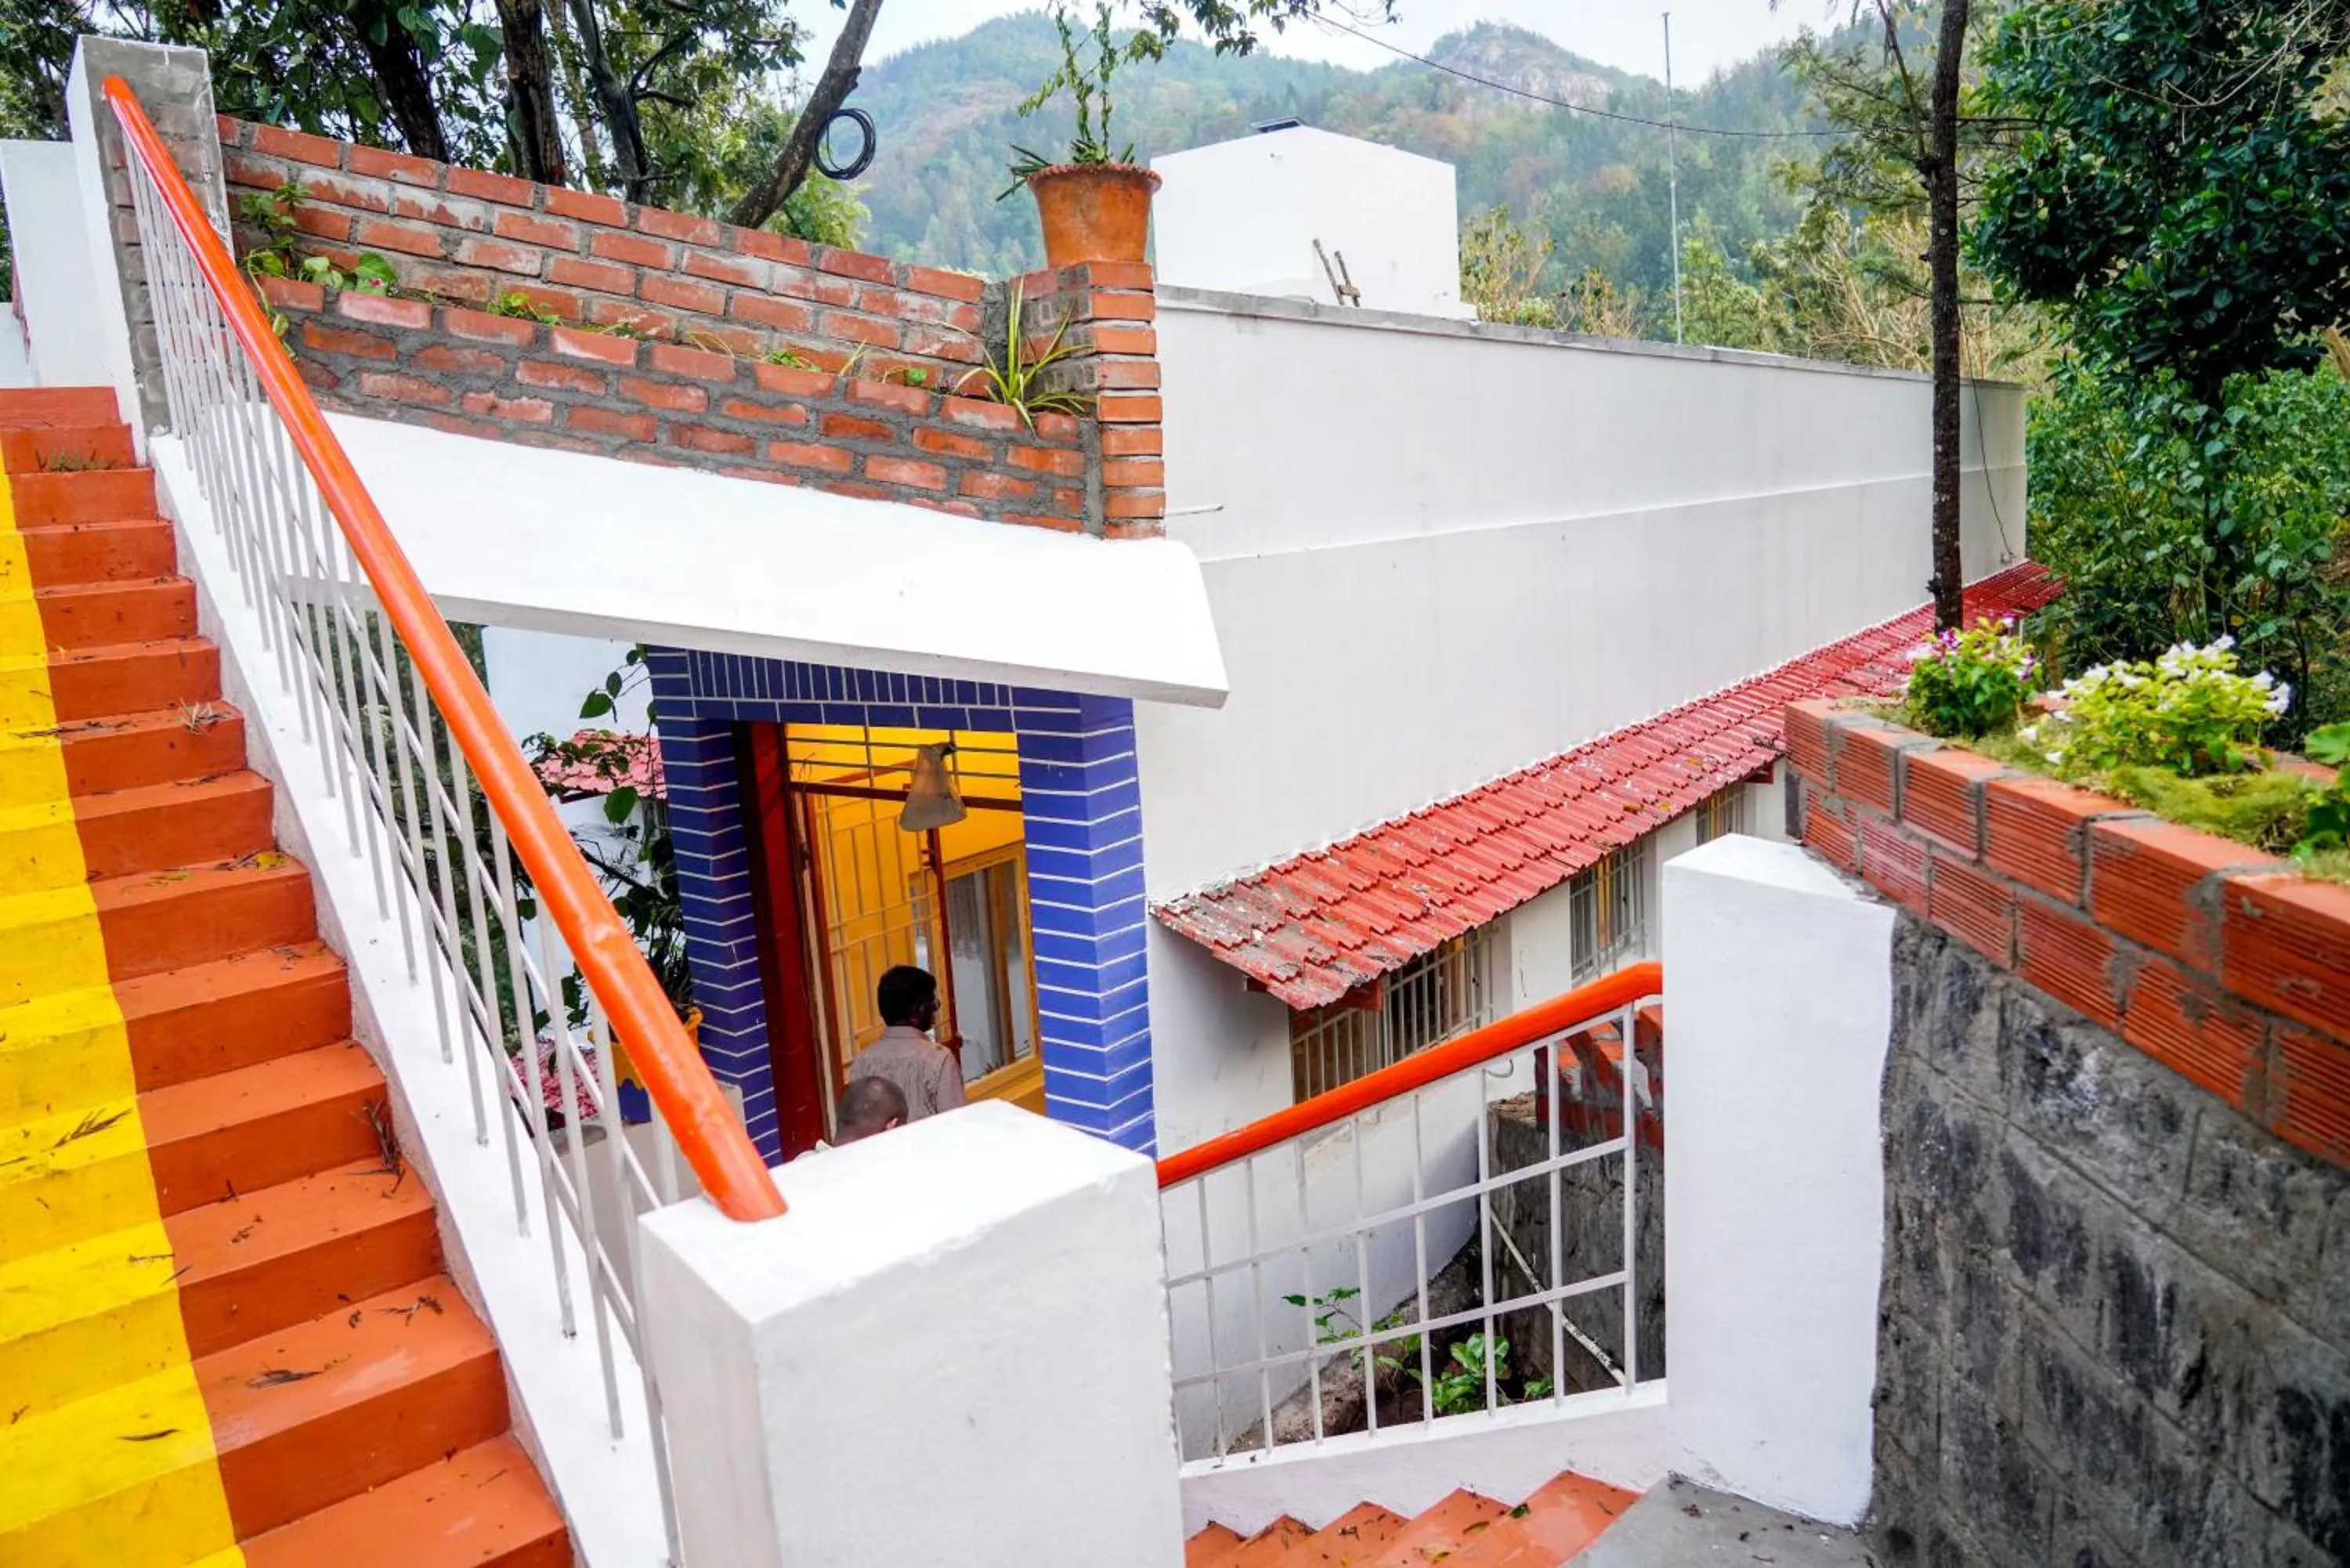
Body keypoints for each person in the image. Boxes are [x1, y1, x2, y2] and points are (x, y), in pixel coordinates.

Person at [848, 964, 965, 1121]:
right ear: (916, 1012)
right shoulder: (938, 1059)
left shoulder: (862, 1061)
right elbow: (955, 1122)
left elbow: (856, 1124)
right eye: (932, 1004)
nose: (934, 1010)